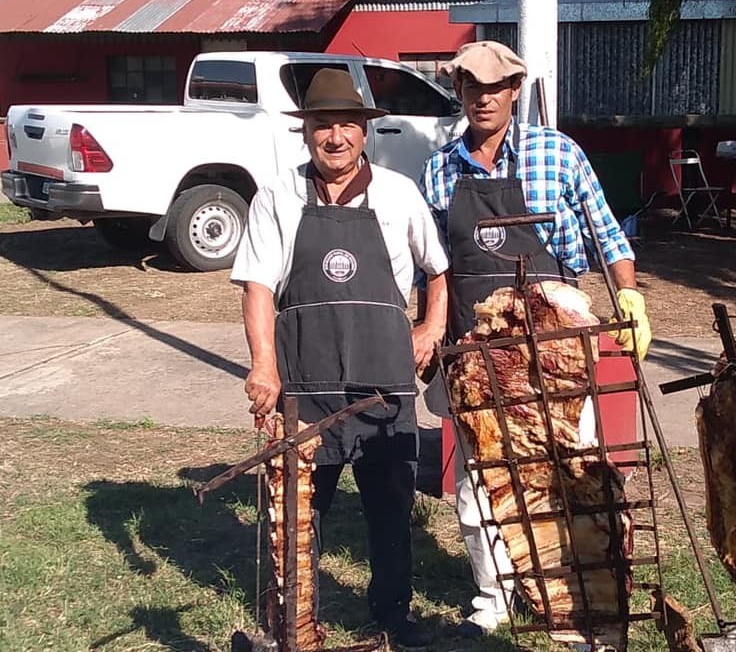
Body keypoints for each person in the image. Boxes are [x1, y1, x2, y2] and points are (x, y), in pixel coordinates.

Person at [420, 40, 652, 638]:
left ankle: (581, 591)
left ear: (514, 90)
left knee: (572, 471)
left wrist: (628, 293)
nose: (483, 99)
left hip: (555, 352)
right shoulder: (439, 169)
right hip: (475, 353)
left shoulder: (558, 153)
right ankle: (494, 596)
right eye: (471, 87)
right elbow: (432, 266)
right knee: (479, 480)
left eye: (494, 87)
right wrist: (427, 328)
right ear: (459, 92)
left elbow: (607, 234)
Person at [232, 68, 448, 649]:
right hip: (307, 383)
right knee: (301, 512)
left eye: (347, 125)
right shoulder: (277, 196)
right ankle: (295, 620)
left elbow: (438, 269)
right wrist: (263, 365)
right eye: (323, 125)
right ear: (306, 132)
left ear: (364, 131)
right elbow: (257, 287)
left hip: (385, 384)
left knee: (391, 506)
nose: (336, 137)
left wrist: (431, 327)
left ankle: (393, 613)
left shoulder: (399, 193)